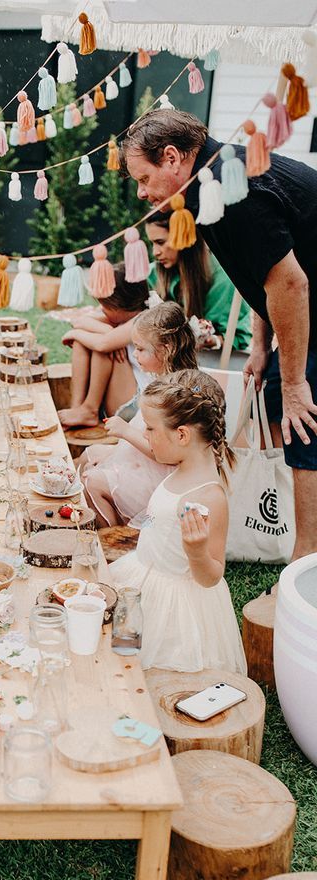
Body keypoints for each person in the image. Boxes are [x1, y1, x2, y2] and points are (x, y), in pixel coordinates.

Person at [120, 109, 317, 558]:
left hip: (311, 302)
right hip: (301, 301)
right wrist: (262, 345)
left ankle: (303, 562)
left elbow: (290, 283)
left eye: (144, 177)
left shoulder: (235, 190)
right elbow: (264, 275)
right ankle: (269, 519)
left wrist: (293, 381)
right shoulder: (206, 184)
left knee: (303, 421)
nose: (141, 191)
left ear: (172, 158)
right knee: (271, 404)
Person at [110, 370, 246, 674]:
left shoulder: (209, 496)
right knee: (124, 653)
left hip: (176, 606)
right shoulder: (180, 465)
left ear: (182, 435)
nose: (144, 434)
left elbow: (211, 576)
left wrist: (197, 552)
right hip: (144, 576)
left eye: (149, 428)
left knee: (158, 670)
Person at [80, 302, 199, 526]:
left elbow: (165, 454)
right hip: (143, 462)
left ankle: (117, 538)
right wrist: (115, 451)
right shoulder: (162, 379)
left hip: (162, 479)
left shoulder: (173, 394)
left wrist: (124, 431)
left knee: (90, 481)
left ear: (165, 349)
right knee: (90, 455)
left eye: (141, 349)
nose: (134, 355)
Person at [57, 264, 149, 428]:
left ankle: (90, 409)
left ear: (121, 304)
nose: (102, 310)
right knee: (84, 341)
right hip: (124, 389)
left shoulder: (143, 320)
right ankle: (78, 408)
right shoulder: (119, 317)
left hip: (138, 405)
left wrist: (74, 334)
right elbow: (79, 321)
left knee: (98, 343)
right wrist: (107, 329)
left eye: (106, 306)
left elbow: (102, 344)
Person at [145, 210, 251, 351]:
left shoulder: (223, 278)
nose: (155, 252)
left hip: (207, 362)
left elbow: (238, 337)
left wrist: (213, 341)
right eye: (152, 243)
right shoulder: (151, 273)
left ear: (182, 237)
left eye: (160, 242)